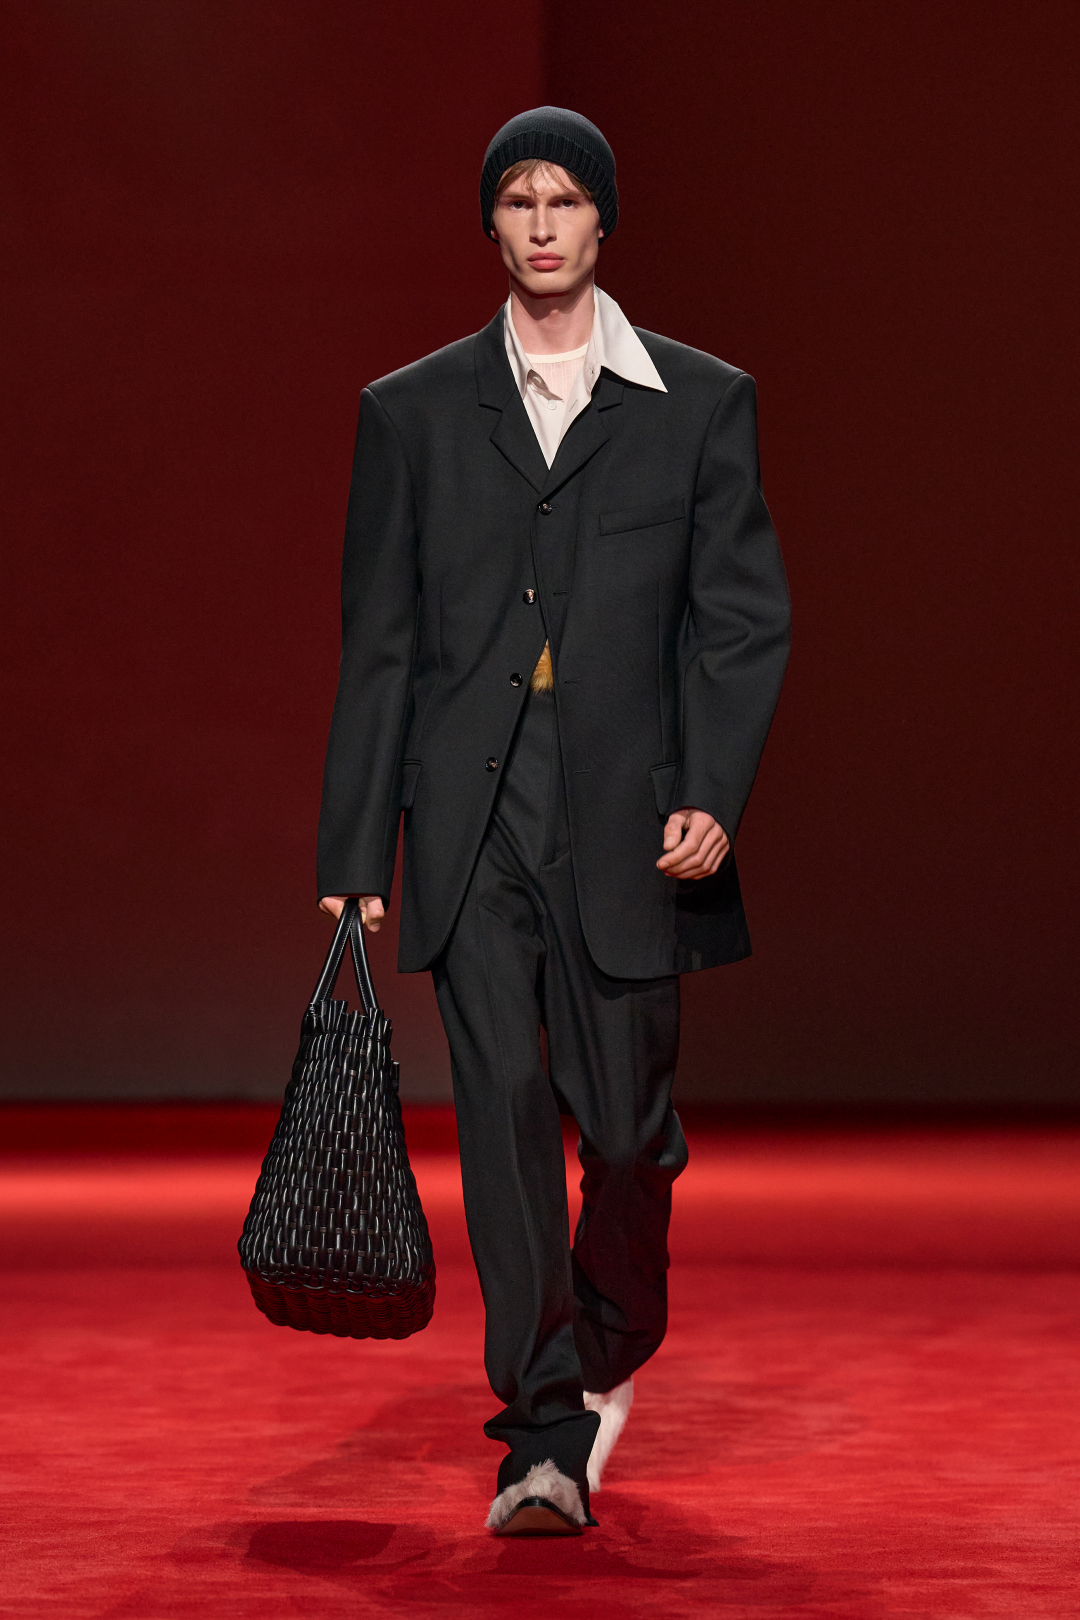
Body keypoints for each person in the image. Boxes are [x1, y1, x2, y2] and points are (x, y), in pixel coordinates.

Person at [317, 106, 790, 1535]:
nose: (540, 225)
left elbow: (739, 621)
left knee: (630, 1137)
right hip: (471, 817)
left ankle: (606, 1334)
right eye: (517, 200)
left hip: (630, 818)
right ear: (492, 222)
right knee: (505, 1123)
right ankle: (538, 1432)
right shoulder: (413, 411)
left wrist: (711, 790)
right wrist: (356, 850)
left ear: (601, 221)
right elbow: (380, 642)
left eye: (564, 200)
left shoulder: (697, 402)